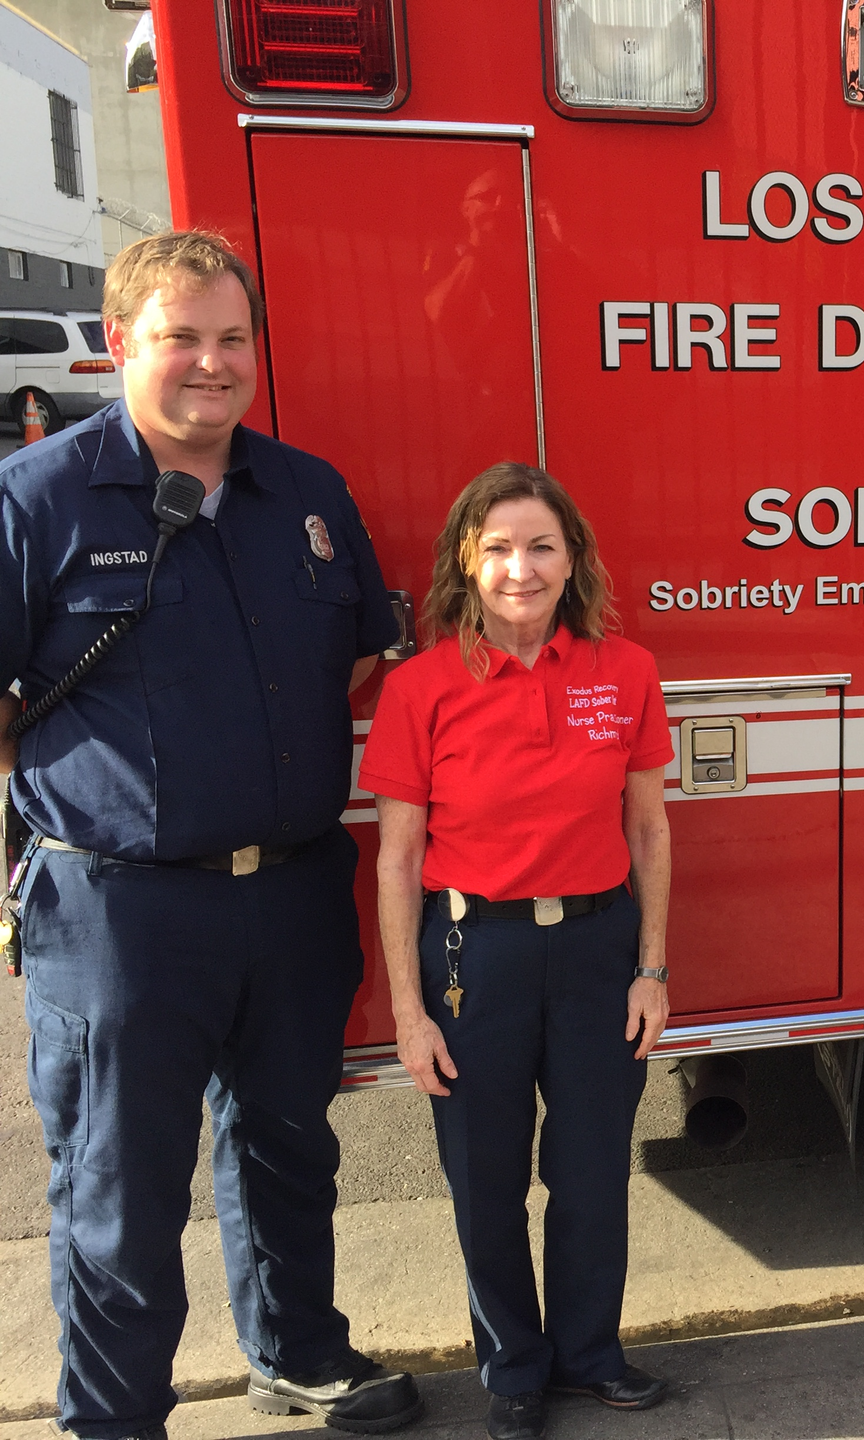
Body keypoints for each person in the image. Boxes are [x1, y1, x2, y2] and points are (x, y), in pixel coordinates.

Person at [0, 231, 422, 1439]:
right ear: (119, 342)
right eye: (181, 336)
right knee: (119, 1186)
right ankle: (114, 1420)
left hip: (291, 894)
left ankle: (297, 1357)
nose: (212, 363)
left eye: (233, 338)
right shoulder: (38, 498)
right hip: (121, 912)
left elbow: (355, 659)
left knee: (288, 1146)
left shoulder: (308, 493)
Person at [360, 463, 675, 1440]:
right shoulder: (419, 687)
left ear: (573, 559)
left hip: (597, 951)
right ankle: (513, 1372)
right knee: (486, 1182)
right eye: (497, 547)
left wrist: (652, 969)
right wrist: (410, 1013)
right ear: (467, 561)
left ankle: (588, 1356)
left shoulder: (626, 670)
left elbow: (650, 829)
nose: (520, 568)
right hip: (474, 958)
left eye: (542, 546)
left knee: (592, 1174)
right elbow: (397, 859)